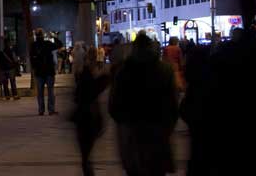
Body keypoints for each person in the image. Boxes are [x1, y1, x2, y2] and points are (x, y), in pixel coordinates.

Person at [108, 32, 178, 176]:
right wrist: (167, 127)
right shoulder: (165, 70)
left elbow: (114, 105)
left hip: (132, 134)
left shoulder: (123, 72)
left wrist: (124, 124)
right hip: (157, 134)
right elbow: (173, 104)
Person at [71, 48, 110, 176]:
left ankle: (87, 170)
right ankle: (88, 170)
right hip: (89, 118)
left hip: (84, 118)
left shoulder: (83, 74)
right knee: (86, 154)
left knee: (85, 154)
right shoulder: (87, 75)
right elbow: (93, 89)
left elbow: (77, 95)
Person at [30, 29, 62, 115]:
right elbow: (59, 45)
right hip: (49, 71)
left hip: (39, 72)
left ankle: (41, 110)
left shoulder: (33, 45)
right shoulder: (47, 44)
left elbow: (31, 59)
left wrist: (34, 68)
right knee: (50, 92)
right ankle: (50, 110)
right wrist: (54, 37)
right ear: (43, 35)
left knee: (40, 93)